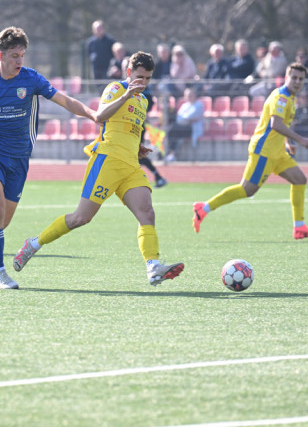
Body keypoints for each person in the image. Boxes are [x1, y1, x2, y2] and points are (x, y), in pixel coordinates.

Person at [11, 51, 185, 286]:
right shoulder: (116, 89)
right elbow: (101, 117)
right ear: (128, 73)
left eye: (147, 79)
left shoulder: (143, 101)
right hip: (108, 161)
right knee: (81, 218)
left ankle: (153, 266)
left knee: (147, 212)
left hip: (130, 165)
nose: (142, 83)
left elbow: (128, 127)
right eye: (139, 77)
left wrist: (137, 147)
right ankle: (33, 244)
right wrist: (126, 95)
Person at [0, 26, 98, 290]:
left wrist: (93, 115)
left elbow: (65, 101)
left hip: (19, 158)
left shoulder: (31, 79)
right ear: (1, 55)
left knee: (0, 219)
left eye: (22, 55)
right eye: (15, 55)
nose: (19, 61)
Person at [192, 62, 308, 240]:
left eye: (301, 79)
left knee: (300, 179)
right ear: (286, 78)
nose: (297, 81)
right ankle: (204, 208)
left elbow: (279, 125)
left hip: (278, 152)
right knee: (247, 190)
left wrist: (286, 143)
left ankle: (299, 227)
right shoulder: (281, 98)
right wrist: (301, 140)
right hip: (264, 151)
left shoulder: (291, 98)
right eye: (294, 77)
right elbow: (275, 124)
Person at [165, 85, 205, 160]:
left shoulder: (199, 105)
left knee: (172, 130)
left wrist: (185, 119)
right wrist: (186, 119)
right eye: (187, 95)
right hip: (182, 127)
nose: (188, 97)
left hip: (193, 128)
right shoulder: (185, 105)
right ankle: (171, 153)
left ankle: (171, 153)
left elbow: (190, 117)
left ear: (195, 95)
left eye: (190, 95)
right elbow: (179, 118)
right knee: (171, 131)